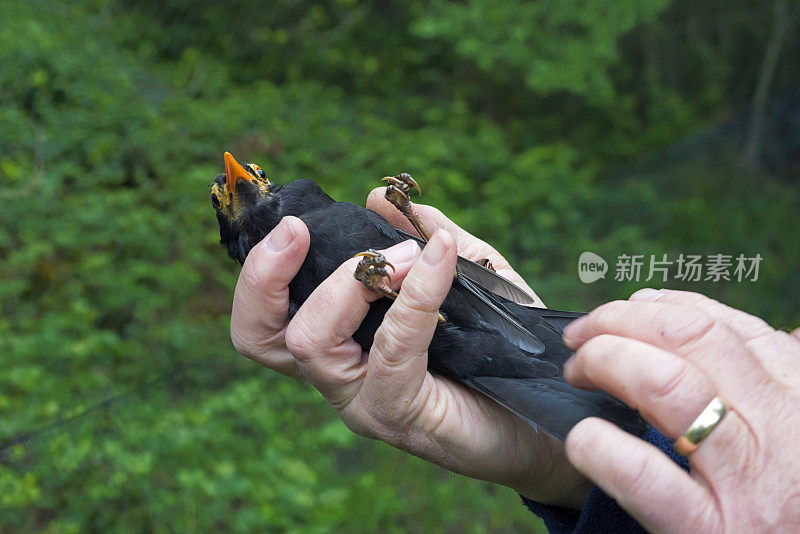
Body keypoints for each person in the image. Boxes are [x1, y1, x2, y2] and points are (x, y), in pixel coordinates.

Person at [229, 188, 800, 533]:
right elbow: (747, 485)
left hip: (477, 327)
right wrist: (566, 471)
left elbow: (764, 489)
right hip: (474, 334)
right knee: (541, 346)